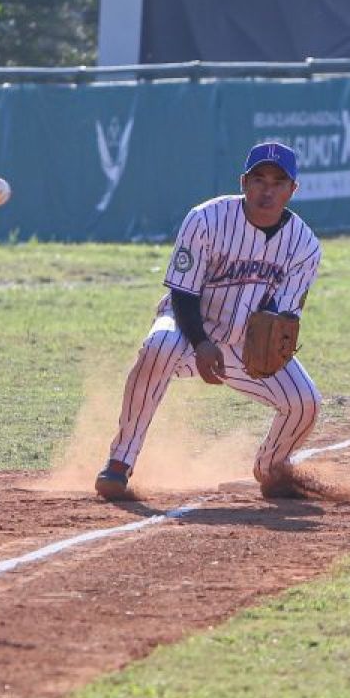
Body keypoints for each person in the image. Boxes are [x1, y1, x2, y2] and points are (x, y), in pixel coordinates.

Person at [95, 142, 322, 500]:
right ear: (243, 182)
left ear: (293, 189)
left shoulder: (305, 245)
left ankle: (272, 471)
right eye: (259, 178)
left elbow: (285, 314)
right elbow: (183, 292)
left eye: (279, 182)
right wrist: (201, 343)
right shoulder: (206, 219)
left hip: (243, 344)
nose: (267, 189)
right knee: (159, 345)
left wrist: (272, 342)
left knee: (306, 402)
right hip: (188, 327)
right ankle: (120, 462)